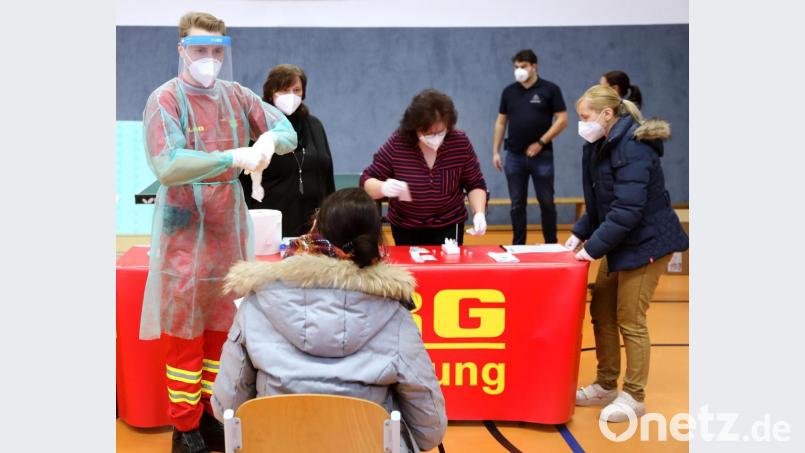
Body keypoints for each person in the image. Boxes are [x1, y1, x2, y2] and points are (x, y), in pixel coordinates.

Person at [138, 12, 298, 453]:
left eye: (215, 50)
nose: (208, 58)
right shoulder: (166, 100)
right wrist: (230, 158)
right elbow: (168, 164)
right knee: (184, 338)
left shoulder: (236, 95)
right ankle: (184, 427)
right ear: (182, 50)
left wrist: (267, 142)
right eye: (199, 49)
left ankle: (209, 416)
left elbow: (285, 130)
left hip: (228, 230)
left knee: (221, 333)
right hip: (184, 233)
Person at [212, 188, 448, 453]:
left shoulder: (257, 303)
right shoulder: (395, 315)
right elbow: (430, 429)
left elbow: (226, 407)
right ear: (374, 242)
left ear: (315, 230)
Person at [568, 85, 688, 422]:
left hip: (647, 243)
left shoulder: (634, 148)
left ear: (607, 114)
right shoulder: (599, 145)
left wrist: (592, 249)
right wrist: (578, 234)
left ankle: (634, 396)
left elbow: (627, 210)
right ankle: (606, 384)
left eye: (585, 117)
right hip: (621, 241)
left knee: (630, 318)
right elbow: (599, 203)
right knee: (602, 310)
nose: (582, 124)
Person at [361, 89, 488, 246]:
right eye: (429, 134)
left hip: (448, 224)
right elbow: (366, 181)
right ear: (415, 128)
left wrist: (479, 213)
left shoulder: (459, 143)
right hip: (406, 227)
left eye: (440, 132)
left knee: (448, 262)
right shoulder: (398, 143)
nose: (436, 139)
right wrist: (383, 187)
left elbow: (475, 183)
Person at [239, 64, 336, 237]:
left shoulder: (314, 125)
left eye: (296, 90)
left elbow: (327, 174)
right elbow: (243, 180)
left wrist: (331, 213)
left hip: (314, 223)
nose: (291, 96)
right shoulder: (256, 128)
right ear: (271, 93)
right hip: (270, 224)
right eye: (284, 90)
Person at [492, 49, 568, 245]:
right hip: (514, 156)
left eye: (523, 66)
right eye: (516, 67)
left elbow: (562, 120)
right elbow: (501, 122)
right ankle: (518, 244)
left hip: (542, 156)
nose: (519, 70)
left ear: (534, 66)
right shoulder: (509, 91)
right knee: (517, 203)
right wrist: (495, 151)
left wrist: (541, 142)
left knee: (546, 202)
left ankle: (551, 243)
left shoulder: (550, 89)